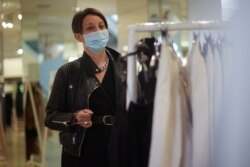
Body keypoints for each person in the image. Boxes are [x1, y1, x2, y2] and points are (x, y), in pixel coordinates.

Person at [44, 7, 127, 167]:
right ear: (78, 36)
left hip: (119, 149)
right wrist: (74, 118)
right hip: (81, 152)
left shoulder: (125, 66)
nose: (98, 31)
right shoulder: (67, 72)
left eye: (102, 26)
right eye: (90, 28)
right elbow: (50, 118)